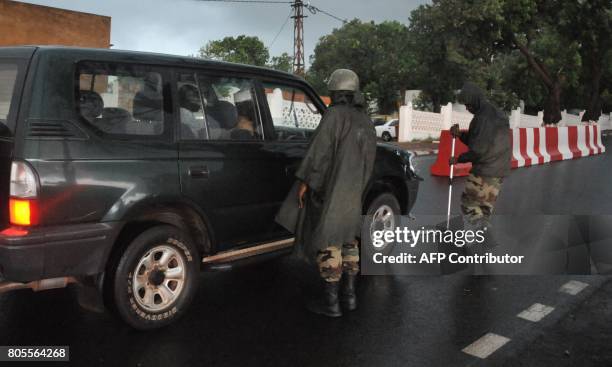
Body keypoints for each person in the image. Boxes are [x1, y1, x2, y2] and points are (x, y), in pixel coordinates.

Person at [276, 69, 377, 317]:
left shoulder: (334, 115)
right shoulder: (364, 119)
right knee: (349, 240)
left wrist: (305, 182)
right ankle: (350, 296)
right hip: (354, 192)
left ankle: (331, 303)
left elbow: (319, 154)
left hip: (332, 189)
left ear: (336, 91)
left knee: (329, 240)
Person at [450, 82, 511, 236]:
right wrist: (460, 135)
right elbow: (477, 139)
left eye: (468, 104)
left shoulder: (482, 118)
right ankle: (483, 240)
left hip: (484, 171)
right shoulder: (496, 113)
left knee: (469, 205)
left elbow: (478, 150)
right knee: (484, 209)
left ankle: (473, 244)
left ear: (475, 100)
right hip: (499, 170)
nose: (467, 108)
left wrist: (458, 159)